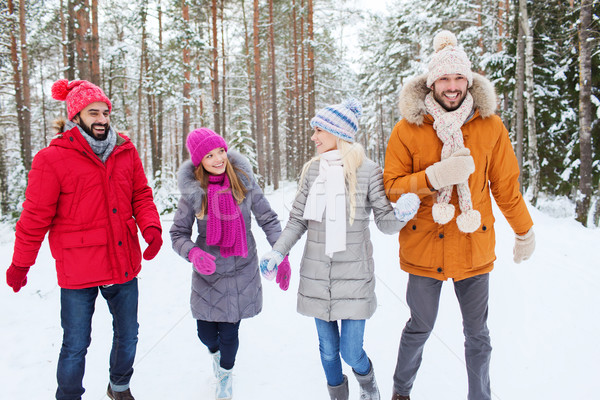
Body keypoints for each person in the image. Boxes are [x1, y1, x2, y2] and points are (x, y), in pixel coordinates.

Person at [383, 31, 536, 400]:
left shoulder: (490, 125)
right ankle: (401, 392)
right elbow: (392, 187)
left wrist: (524, 231)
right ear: (431, 82)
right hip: (423, 246)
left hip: (473, 245)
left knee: (478, 334)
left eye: (458, 78)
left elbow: (505, 186)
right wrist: (433, 176)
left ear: (468, 80)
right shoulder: (408, 129)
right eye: (444, 79)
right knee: (419, 327)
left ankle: (479, 396)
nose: (452, 87)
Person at [5, 79, 162, 400]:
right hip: (79, 269)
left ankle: (119, 387)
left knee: (128, 335)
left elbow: (141, 195)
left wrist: (151, 229)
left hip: (123, 262)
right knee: (76, 343)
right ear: (75, 116)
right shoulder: (52, 159)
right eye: (94, 112)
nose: (102, 119)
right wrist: (21, 263)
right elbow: (35, 218)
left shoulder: (125, 150)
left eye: (105, 112)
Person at [260, 99, 421, 400]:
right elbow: (297, 220)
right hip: (317, 276)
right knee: (328, 351)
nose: (314, 136)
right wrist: (277, 252)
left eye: (319, 130)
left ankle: (368, 383)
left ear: (337, 132)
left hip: (354, 277)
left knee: (350, 351)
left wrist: (401, 215)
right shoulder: (312, 172)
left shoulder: (369, 171)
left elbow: (385, 223)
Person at [169, 128, 290, 400]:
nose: (218, 158)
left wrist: (280, 253)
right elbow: (177, 234)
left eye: (221, 151)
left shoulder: (244, 182)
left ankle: (225, 375)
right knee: (206, 334)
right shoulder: (193, 193)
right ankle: (216, 357)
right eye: (210, 155)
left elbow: (268, 220)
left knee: (230, 334)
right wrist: (192, 253)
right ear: (200, 161)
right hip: (207, 273)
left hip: (241, 270)